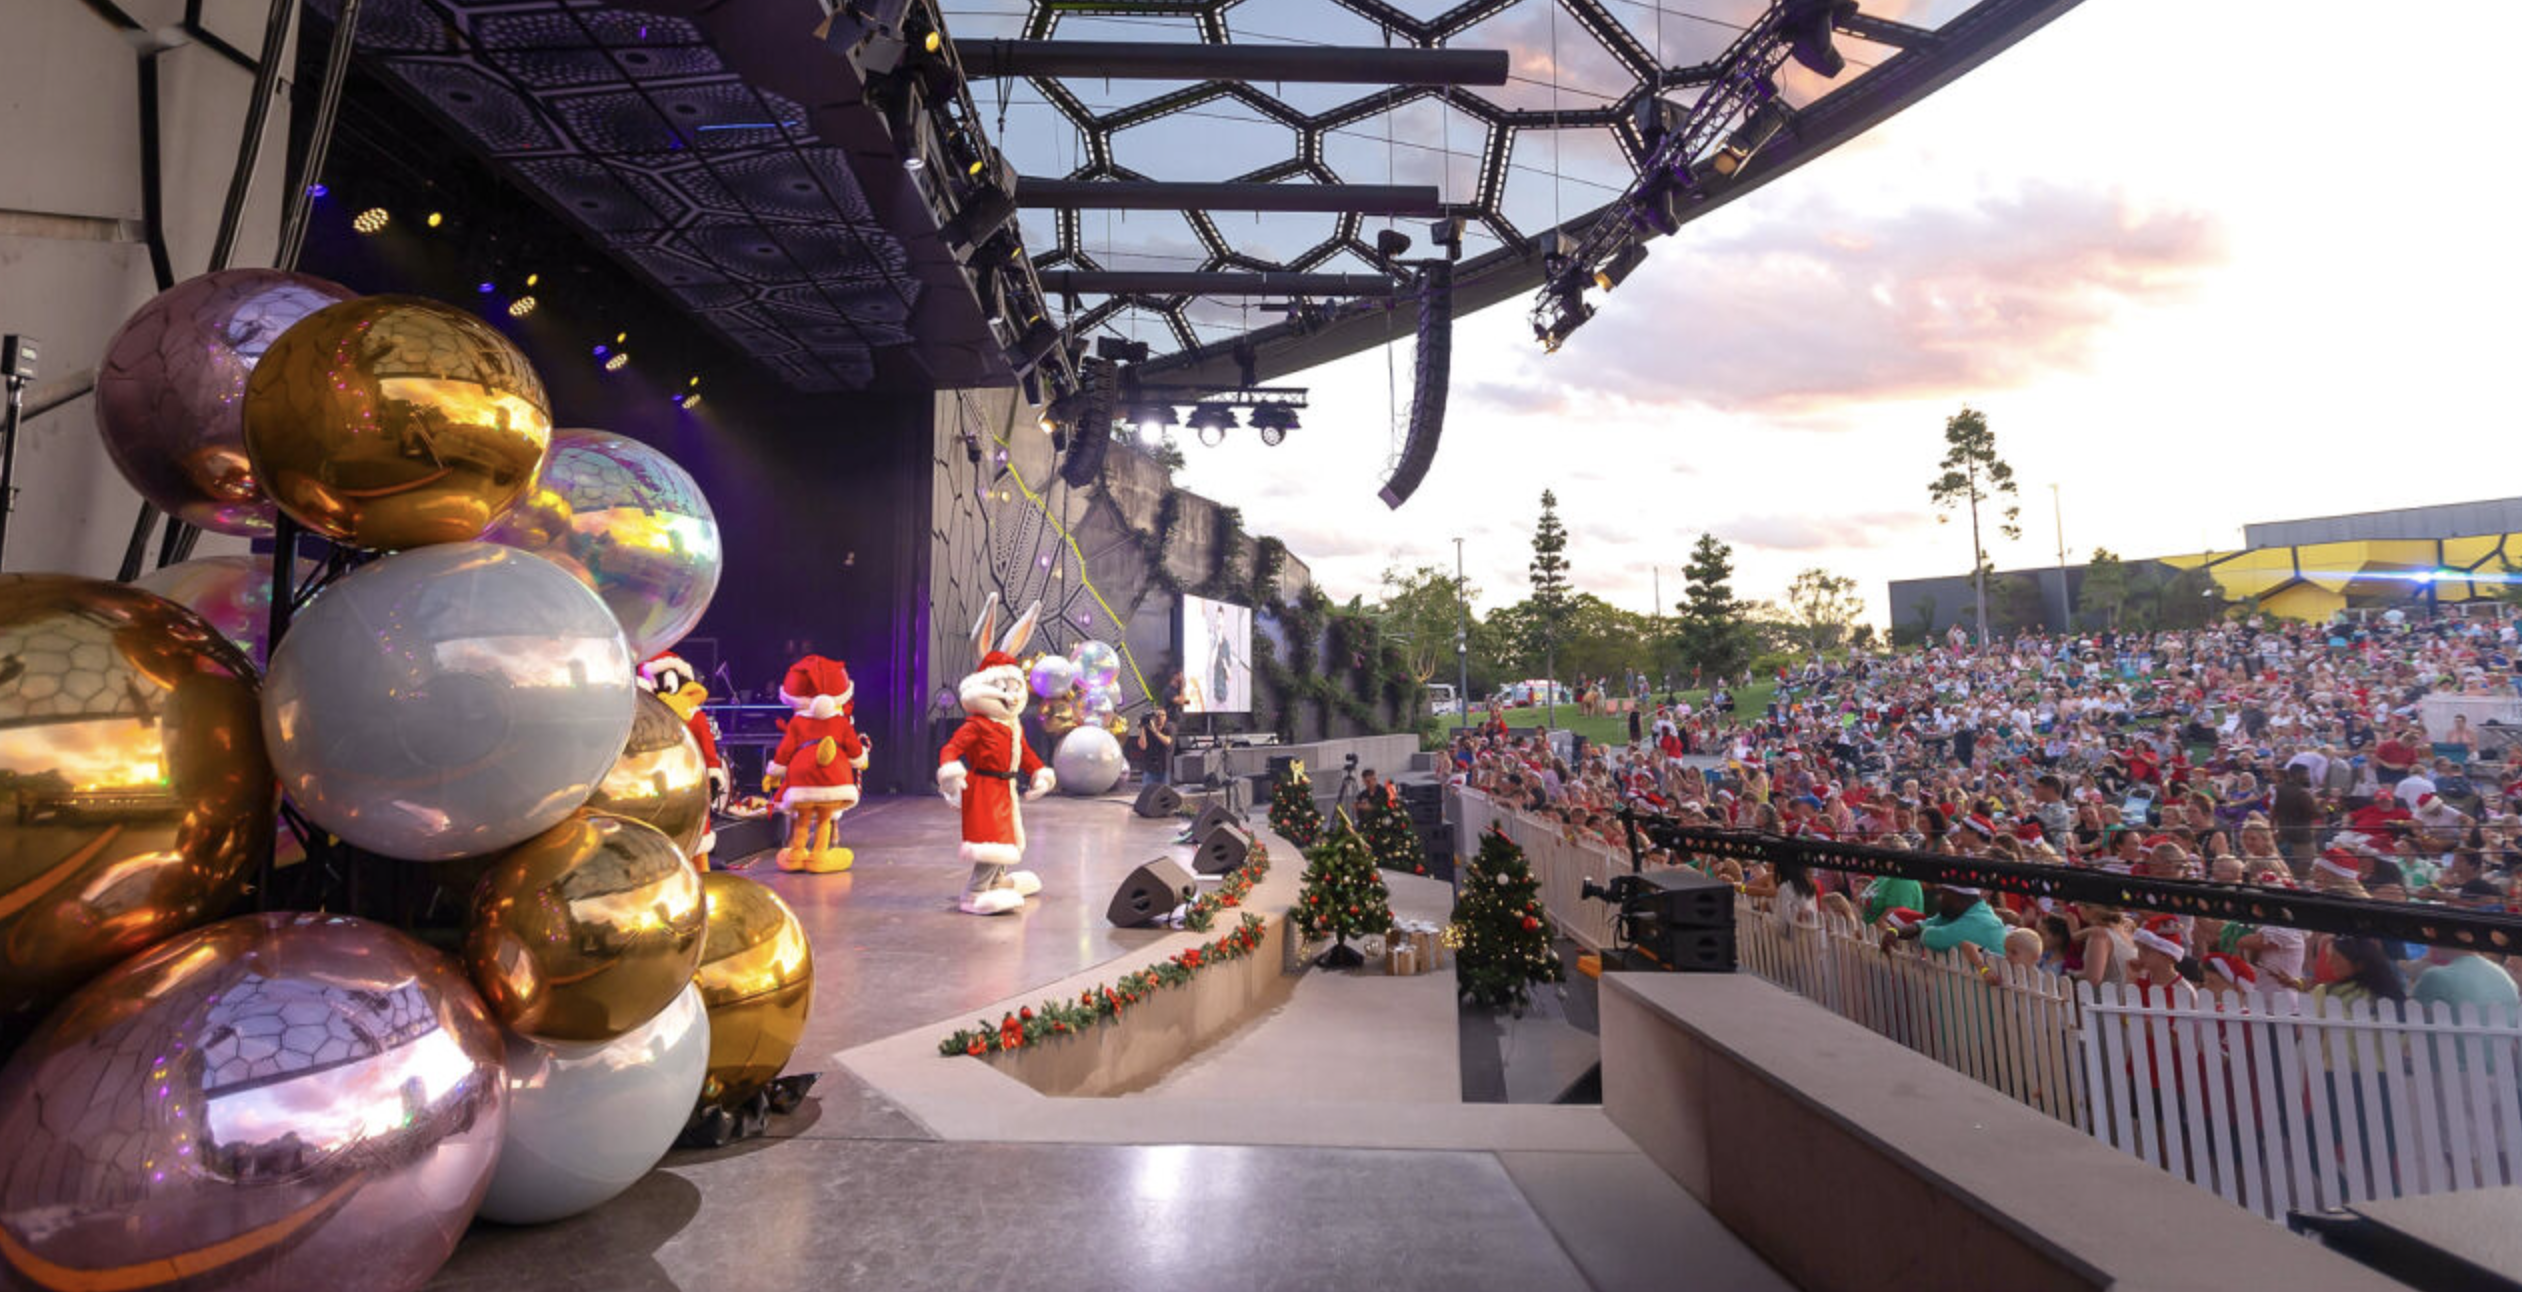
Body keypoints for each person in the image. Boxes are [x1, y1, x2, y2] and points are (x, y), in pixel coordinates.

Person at [1131, 709, 1174, 785]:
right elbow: (1143, 746)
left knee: (1164, 794)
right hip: (1150, 769)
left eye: (1162, 715)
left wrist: (1155, 731)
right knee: (1147, 793)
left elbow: (1167, 742)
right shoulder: (1148, 729)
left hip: (1165, 768)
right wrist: (1142, 728)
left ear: (1166, 717)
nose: (1160, 717)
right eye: (1157, 715)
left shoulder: (1169, 728)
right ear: (1153, 717)